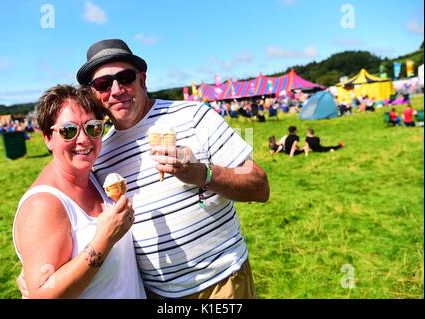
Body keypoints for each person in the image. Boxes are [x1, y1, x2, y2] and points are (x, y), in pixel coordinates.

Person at [19, 39, 270, 299]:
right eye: (103, 84)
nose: (116, 90)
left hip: (220, 284)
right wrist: (36, 270)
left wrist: (202, 173)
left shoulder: (194, 116)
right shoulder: (97, 152)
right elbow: (65, 217)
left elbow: (260, 186)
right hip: (151, 292)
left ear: (142, 79)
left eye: (125, 77)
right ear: (94, 93)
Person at [13, 84, 145, 299]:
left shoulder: (94, 177)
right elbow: (42, 295)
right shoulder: (43, 205)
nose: (84, 139)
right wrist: (105, 239)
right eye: (69, 130)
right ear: (47, 138)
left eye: (93, 127)